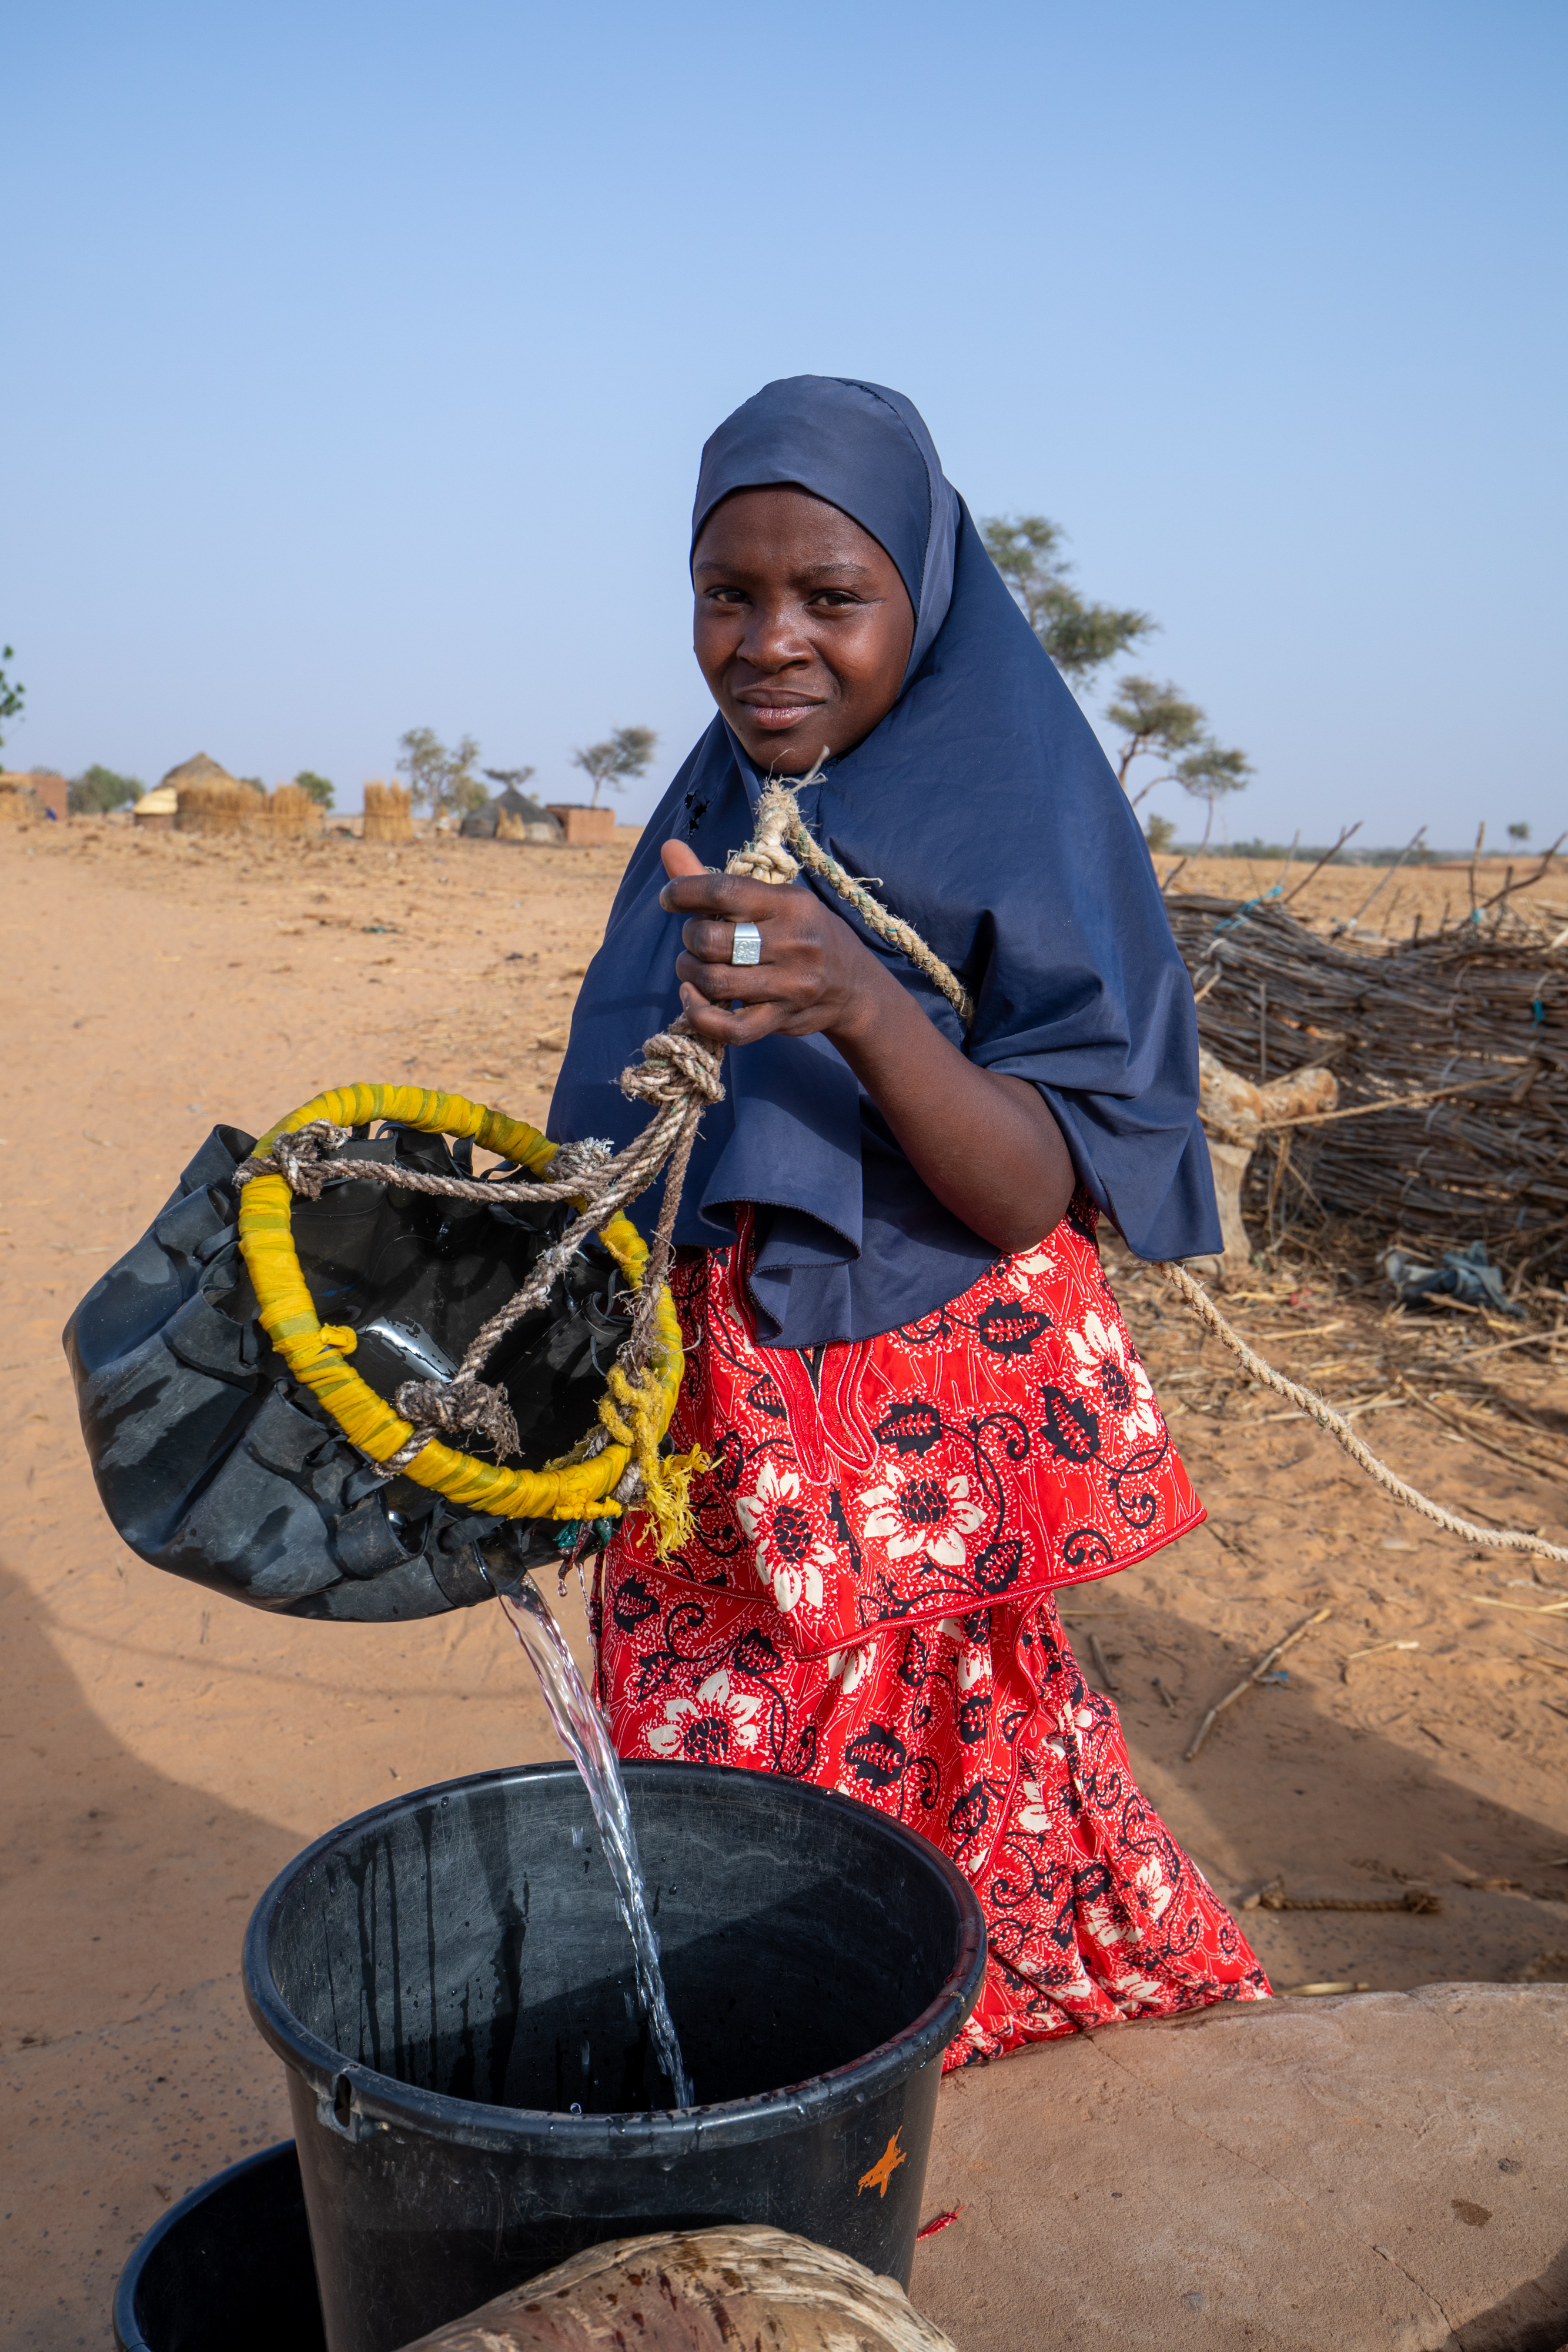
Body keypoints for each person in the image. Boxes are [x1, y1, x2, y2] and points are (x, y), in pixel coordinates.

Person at [550, 375, 1266, 2064]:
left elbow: (1036, 1185)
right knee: (696, 1754)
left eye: (830, 598)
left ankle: (883, 2072)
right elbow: (622, 1114)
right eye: (728, 595)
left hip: (916, 1426)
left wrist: (862, 1002)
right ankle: (772, 2065)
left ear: (924, 597)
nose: (770, 643)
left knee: (932, 1764)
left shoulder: (1020, 805)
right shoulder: (709, 802)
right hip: (714, 1421)